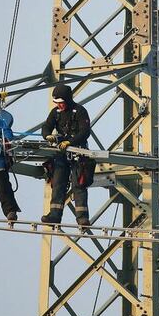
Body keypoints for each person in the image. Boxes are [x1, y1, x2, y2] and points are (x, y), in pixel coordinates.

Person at [41, 84, 93, 226]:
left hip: (78, 154)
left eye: (61, 102)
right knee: (58, 184)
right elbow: (46, 126)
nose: (59, 105)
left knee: (79, 185)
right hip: (61, 154)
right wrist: (47, 136)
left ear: (67, 100)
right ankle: (54, 215)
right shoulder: (55, 112)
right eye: (57, 103)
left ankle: (82, 218)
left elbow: (85, 132)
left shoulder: (80, 111)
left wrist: (70, 142)